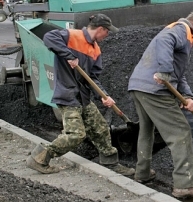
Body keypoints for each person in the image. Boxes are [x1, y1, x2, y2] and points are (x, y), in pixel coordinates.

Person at [26, 14, 135, 176]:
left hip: (83, 97)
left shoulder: (95, 50)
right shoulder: (72, 36)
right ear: (100, 29)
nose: (107, 35)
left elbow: (92, 78)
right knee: (76, 134)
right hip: (67, 95)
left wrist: (103, 96)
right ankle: (40, 157)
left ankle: (110, 162)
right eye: (107, 32)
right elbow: (49, 38)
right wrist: (69, 55)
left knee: (100, 128)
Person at [128, 12, 193, 199]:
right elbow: (165, 43)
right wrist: (164, 72)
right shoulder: (180, 31)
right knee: (180, 132)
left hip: (139, 86)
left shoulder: (178, 31)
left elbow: (178, 74)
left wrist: (188, 96)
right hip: (154, 89)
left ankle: (142, 172)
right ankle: (185, 184)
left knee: (146, 130)